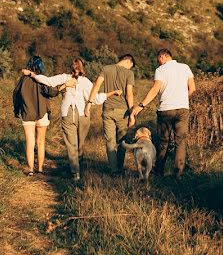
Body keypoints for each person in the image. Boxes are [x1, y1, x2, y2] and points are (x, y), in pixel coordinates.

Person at [25, 57, 122, 181]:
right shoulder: (86, 81)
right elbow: (96, 99)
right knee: (79, 145)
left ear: (71, 67)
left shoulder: (64, 78)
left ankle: (75, 172)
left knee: (72, 145)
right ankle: (77, 168)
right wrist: (112, 93)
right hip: (83, 115)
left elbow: (47, 81)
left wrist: (32, 74)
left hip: (68, 114)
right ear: (83, 68)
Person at [129, 48, 195, 178]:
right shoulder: (185, 67)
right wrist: (181, 98)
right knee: (180, 141)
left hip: (166, 109)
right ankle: (178, 174)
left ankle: (159, 171)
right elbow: (192, 88)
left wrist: (141, 105)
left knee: (163, 141)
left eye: (158, 59)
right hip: (182, 108)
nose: (158, 62)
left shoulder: (160, 70)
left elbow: (154, 90)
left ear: (162, 57)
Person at [12, 55, 74, 176]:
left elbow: (16, 95)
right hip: (42, 113)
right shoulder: (42, 79)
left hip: (27, 113)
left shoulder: (23, 80)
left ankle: (30, 170)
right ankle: (40, 169)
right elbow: (52, 92)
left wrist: (16, 110)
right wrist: (64, 86)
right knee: (41, 142)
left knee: (30, 142)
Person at [86, 54, 136, 173]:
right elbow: (129, 94)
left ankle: (113, 170)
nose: (130, 69)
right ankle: (120, 167)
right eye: (131, 66)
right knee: (122, 140)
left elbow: (96, 86)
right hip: (123, 111)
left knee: (110, 141)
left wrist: (89, 103)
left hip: (107, 110)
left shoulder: (106, 69)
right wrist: (132, 113)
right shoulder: (129, 74)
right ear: (129, 62)